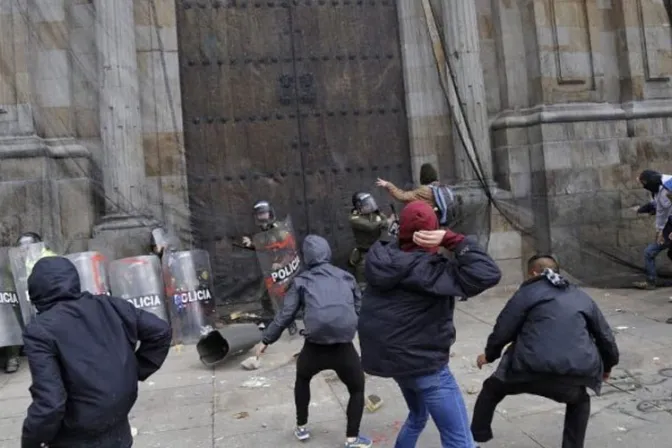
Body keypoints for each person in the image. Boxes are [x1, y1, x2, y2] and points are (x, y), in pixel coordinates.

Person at [358, 200, 502, 447]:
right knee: (460, 441)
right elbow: (489, 273)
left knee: (417, 416)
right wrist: (452, 240)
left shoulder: (382, 257)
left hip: (394, 363)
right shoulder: (432, 271)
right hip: (425, 366)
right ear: (432, 233)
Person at [21, 256, 172, 448]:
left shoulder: (39, 331)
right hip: (117, 427)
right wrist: (134, 371)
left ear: (35, 290)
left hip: (76, 436)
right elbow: (161, 330)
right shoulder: (110, 305)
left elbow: (50, 403)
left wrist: (30, 442)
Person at [471, 254, 620, 448]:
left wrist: (489, 355)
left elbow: (503, 329)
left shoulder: (527, 293)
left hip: (526, 370)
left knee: (491, 388)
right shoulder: (580, 296)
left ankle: (477, 436)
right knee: (580, 401)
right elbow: (605, 337)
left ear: (533, 273)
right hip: (571, 374)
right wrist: (608, 366)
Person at [256, 235, 372, 448]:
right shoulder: (346, 277)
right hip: (343, 347)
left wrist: (266, 339)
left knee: (303, 378)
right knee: (356, 389)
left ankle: (301, 427)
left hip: (314, 347)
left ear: (306, 258)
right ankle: (352, 439)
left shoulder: (301, 281)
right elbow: (360, 312)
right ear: (327, 253)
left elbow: (286, 314)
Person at [241, 200, 294, 329]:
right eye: (259, 214)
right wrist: (251, 244)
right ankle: (270, 320)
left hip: (283, 268)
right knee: (265, 296)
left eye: (264, 213)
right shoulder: (262, 231)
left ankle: (291, 324)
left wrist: (280, 263)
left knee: (283, 296)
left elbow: (290, 249)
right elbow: (264, 248)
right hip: (269, 269)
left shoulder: (279, 230)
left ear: (270, 213)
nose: (262, 217)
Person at [632, 170, 672, 290]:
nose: (644, 186)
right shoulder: (658, 191)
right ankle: (651, 281)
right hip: (668, 227)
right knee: (650, 252)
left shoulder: (669, 186)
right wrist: (659, 231)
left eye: (644, 182)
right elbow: (659, 209)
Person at [348, 192, 394, 289]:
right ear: (359, 206)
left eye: (370, 203)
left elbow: (386, 222)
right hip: (365, 253)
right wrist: (385, 221)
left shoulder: (374, 214)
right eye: (366, 204)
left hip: (378, 250)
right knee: (363, 284)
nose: (370, 206)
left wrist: (389, 221)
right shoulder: (354, 218)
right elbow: (370, 226)